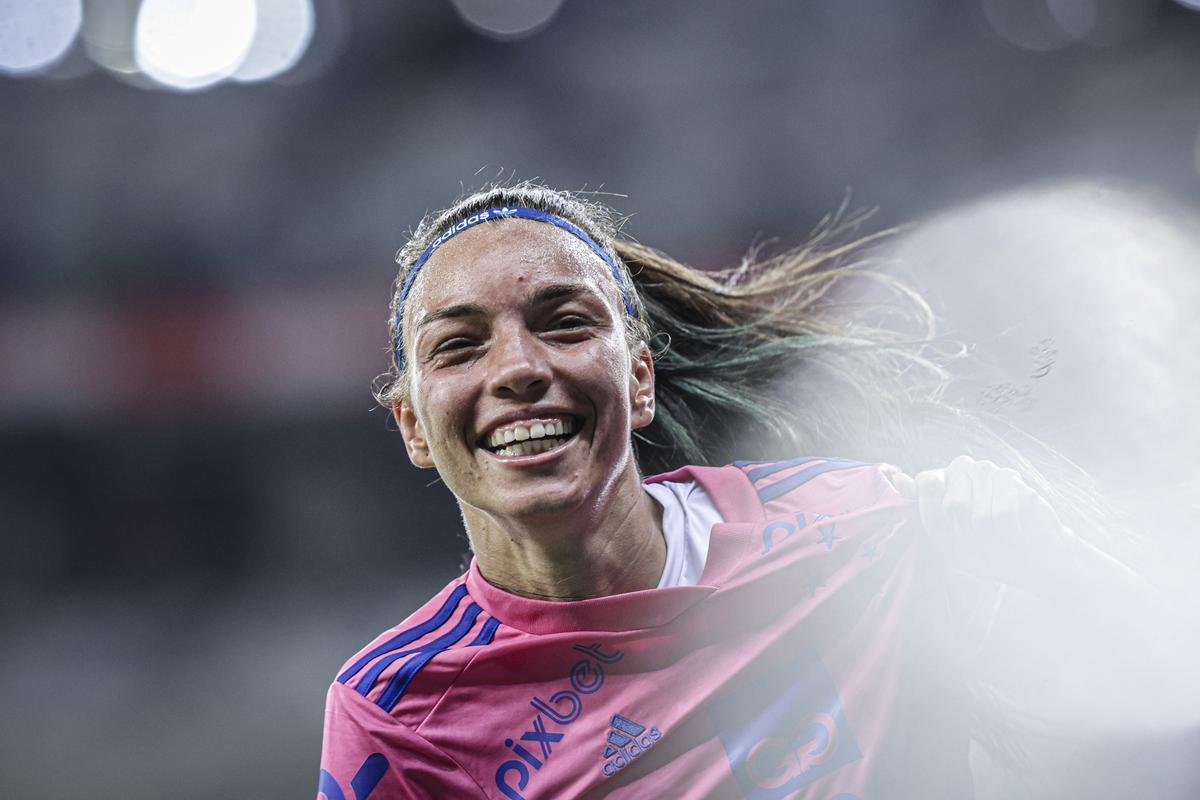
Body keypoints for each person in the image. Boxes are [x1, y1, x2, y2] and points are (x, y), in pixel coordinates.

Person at [316, 183, 1191, 800]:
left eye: (565, 323)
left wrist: (1050, 556)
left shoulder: (844, 526)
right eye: (459, 346)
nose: (518, 368)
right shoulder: (397, 717)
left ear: (641, 380)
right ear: (414, 427)